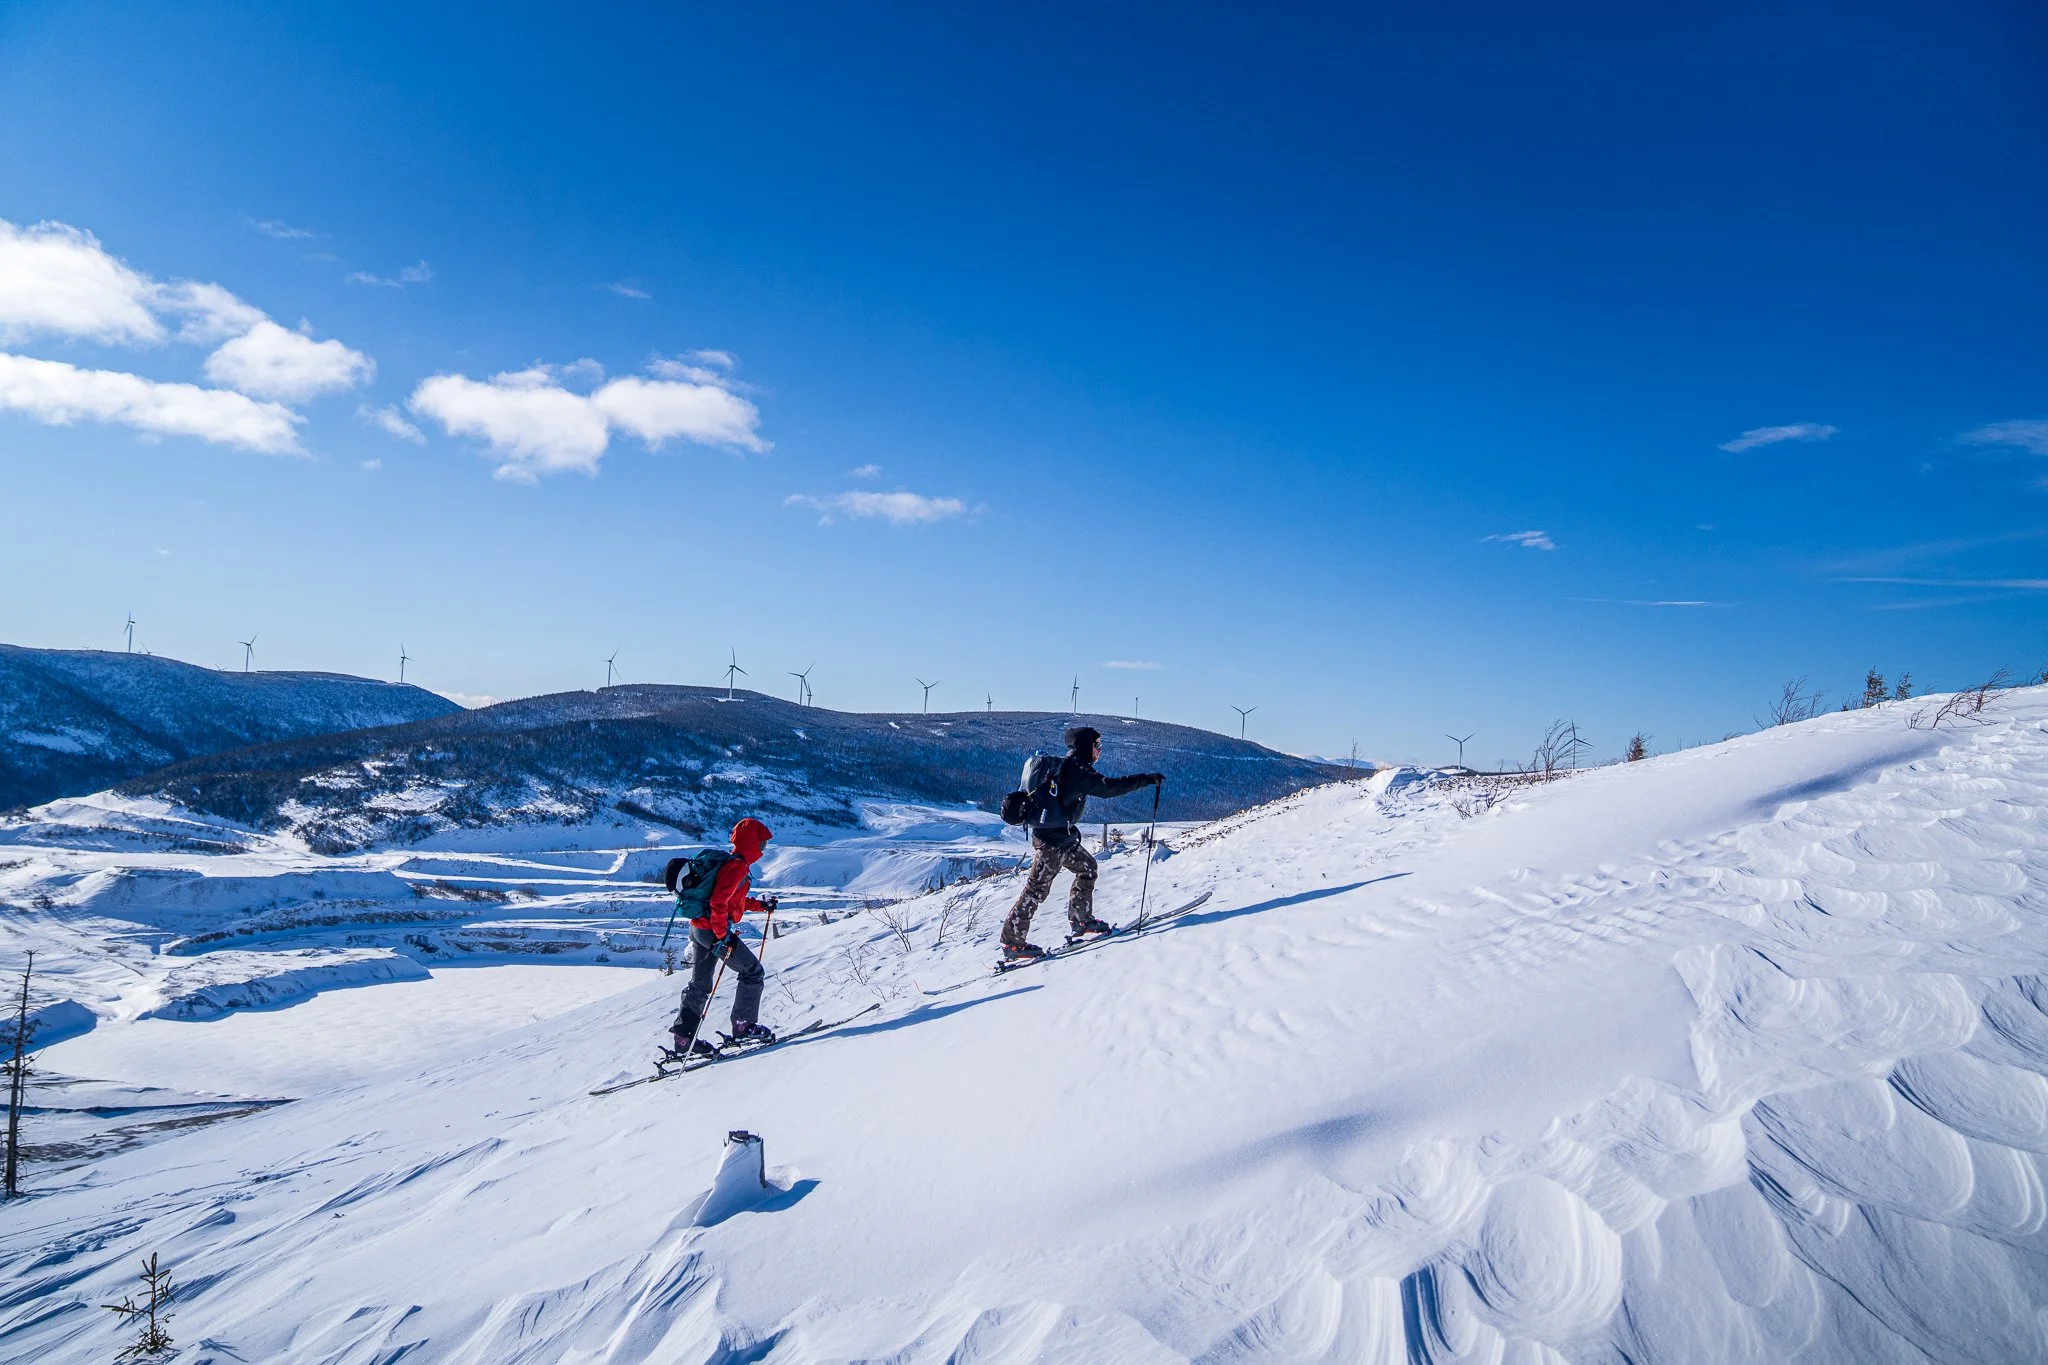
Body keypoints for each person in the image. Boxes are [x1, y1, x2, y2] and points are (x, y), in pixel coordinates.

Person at [1001, 725, 1162, 960]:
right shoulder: (1077, 769)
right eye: (1097, 745)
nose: (1100, 750)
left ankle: (1081, 921)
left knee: (1087, 869)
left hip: (1063, 838)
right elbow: (1109, 788)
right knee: (1036, 889)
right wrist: (1145, 780)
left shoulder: (1070, 766)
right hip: (1051, 843)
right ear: (1086, 746)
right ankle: (1012, 942)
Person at [670, 817, 779, 1057]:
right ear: (753, 843)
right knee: (752, 972)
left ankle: (683, 1039)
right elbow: (718, 902)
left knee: (699, 985)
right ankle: (743, 1025)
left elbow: (732, 901)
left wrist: (761, 906)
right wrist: (723, 937)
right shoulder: (737, 866)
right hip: (712, 931)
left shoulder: (732, 863)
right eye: (762, 843)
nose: (764, 849)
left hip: (699, 928)